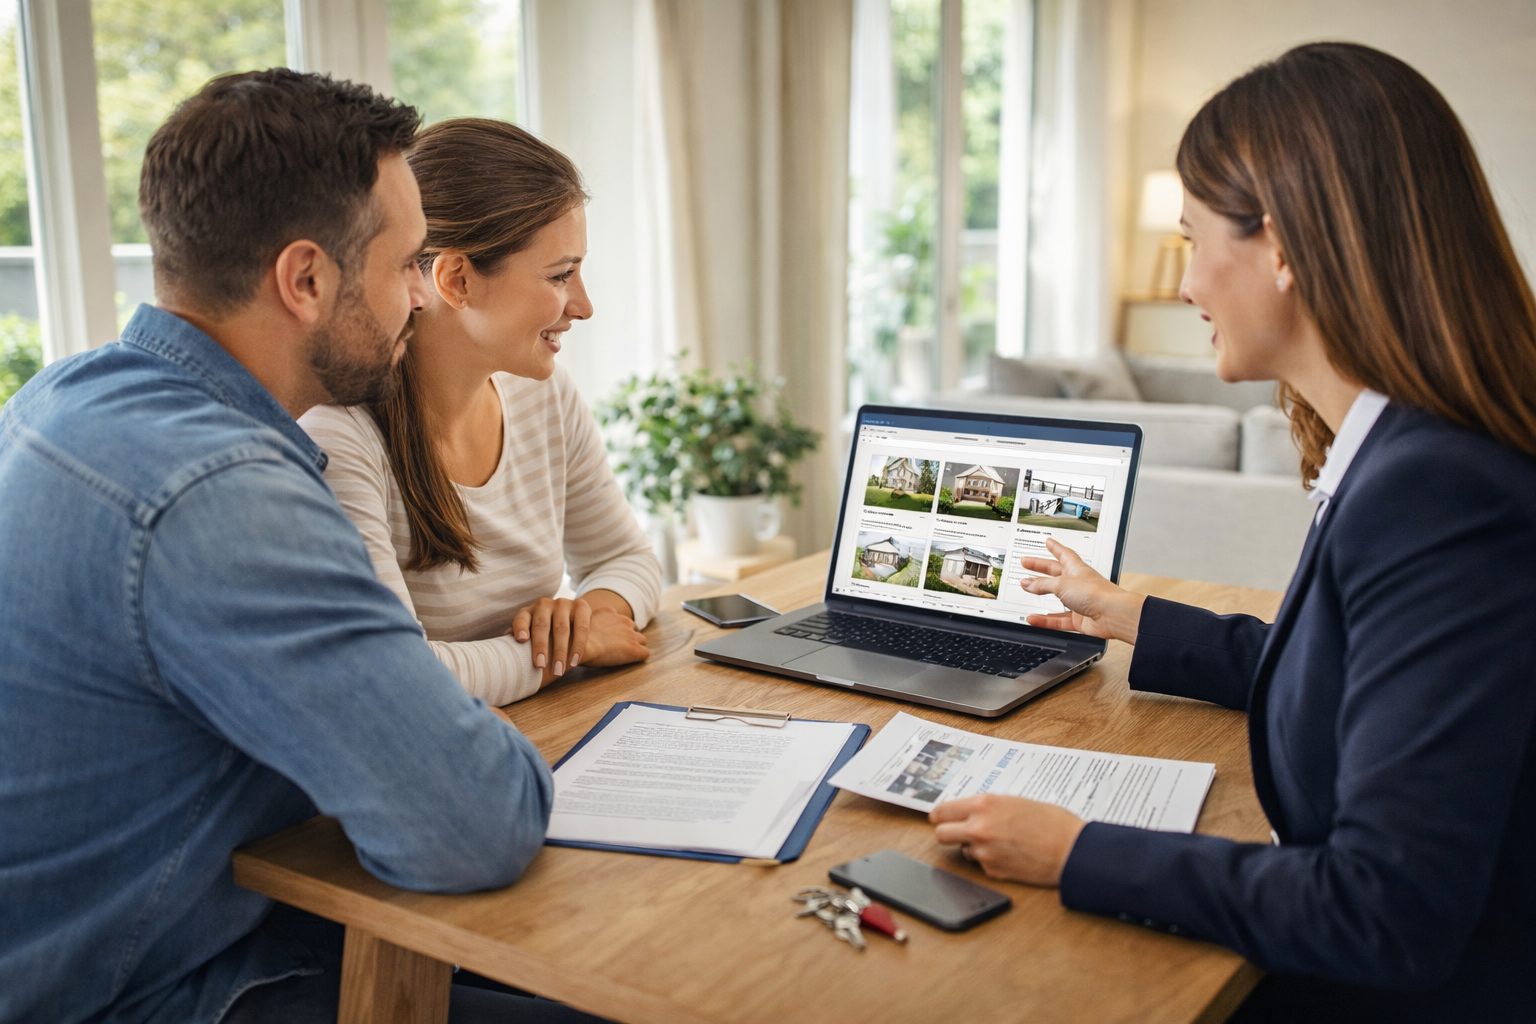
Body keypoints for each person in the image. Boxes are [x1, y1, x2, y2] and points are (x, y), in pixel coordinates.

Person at [928, 43, 1536, 1019]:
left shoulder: (1439, 493)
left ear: (1285, 245)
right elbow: (1340, 675)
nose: (1184, 285)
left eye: (1192, 240)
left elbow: (1386, 911)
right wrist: (1128, 613)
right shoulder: (1406, 455)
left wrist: (1078, 850)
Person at [0, 70, 574, 1023]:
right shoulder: (223, 496)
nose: (418, 303)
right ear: (305, 279)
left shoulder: (61, 399)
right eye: (403, 270)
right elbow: (478, 822)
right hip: (154, 983)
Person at [300, 118, 659, 707]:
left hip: (540, 734)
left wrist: (586, 616)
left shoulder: (545, 396)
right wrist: (566, 651)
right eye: (560, 274)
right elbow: (399, 679)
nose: (584, 305)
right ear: (457, 279)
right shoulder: (340, 439)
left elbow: (626, 558)